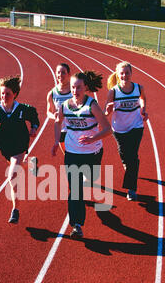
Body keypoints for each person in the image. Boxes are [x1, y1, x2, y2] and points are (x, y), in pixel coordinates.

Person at [51, 70, 112, 238]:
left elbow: (108, 130)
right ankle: (77, 225)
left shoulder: (92, 105)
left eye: (78, 87)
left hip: (92, 152)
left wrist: (93, 138)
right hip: (72, 152)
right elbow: (57, 122)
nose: (75, 91)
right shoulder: (65, 106)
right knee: (75, 190)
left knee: (90, 179)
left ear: (85, 87)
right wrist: (57, 141)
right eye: (72, 87)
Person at [0, 75, 40, 223]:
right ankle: (30, 162)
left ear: (15, 94)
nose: (5, 96)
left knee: (12, 176)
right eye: (2, 93)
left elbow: (34, 115)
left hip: (19, 146)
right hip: (5, 150)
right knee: (15, 166)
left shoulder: (22, 109)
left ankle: (15, 210)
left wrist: (34, 127)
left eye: (8, 94)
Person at [104, 61, 148, 201]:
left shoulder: (138, 88)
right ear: (117, 74)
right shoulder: (113, 92)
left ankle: (131, 189)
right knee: (125, 156)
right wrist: (108, 110)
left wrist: (143, 109)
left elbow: (143, 99)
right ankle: (127, 165)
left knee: (133, 157)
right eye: (122, 73)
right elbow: (105, 112)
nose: (124, 76)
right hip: (119, 129)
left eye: (127, 73)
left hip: (136, 126)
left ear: (131, 73)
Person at [46, 63, 73, 154]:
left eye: (63, 72)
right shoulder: (52, 93)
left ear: (69, 74)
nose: (60, 75)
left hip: (75, 129)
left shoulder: (75, 90)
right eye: (58, 72)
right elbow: (49, 112)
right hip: (62, 130)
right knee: (68, 157)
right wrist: (54, 116)